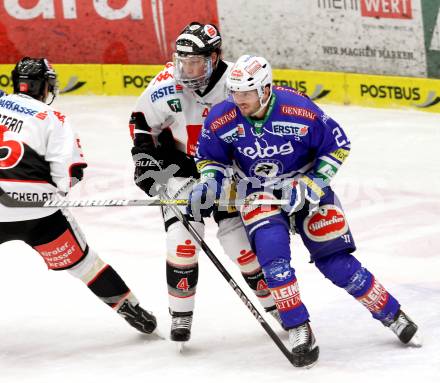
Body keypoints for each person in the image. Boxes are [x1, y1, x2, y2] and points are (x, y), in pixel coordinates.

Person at [188, 54, 422, 367]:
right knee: (274, 262)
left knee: (336, 263)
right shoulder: (222, 117)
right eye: (234, 92)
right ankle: (299, 326)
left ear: (265, 89)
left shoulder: (299, 109)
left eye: (245, 93)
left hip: (308, 189)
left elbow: (338, 146)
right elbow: (210, 158)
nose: (238, 99)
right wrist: (209, 183)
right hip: (259, 193)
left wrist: (311, 185)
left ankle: (392, 314)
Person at [129, 22, 278, 344]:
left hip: (227, 170)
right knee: (182, 241)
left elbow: (263, 124)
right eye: (183, 61)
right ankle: (181, 316)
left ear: (215, 57)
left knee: (241, 247)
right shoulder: (167, 82)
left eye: (195, 61)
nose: (187, 69)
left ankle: (277, 307)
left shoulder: (235, 84)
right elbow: (141, 123)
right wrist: (144, 159)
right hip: (181, 169)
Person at [0, 57, 157, 336]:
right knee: (85, 263)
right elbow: (68, 173)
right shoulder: (53, 118)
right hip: (38, 212)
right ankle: (128, 307)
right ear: (44, 87)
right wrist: (57, 190)